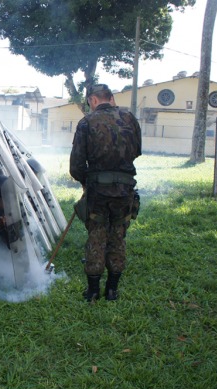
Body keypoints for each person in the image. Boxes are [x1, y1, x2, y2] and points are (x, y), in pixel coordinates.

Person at [69, 84, 142, 302]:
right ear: (111, 98)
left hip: (98, 191)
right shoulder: (130, 118)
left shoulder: (87, 122)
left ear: (92, 100)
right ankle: (112, 290)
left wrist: (87, 181)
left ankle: (92, 292)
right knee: (118, 235)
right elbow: (137, 151)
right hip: (125, 189)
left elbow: (76, 165)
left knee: (97, 236)